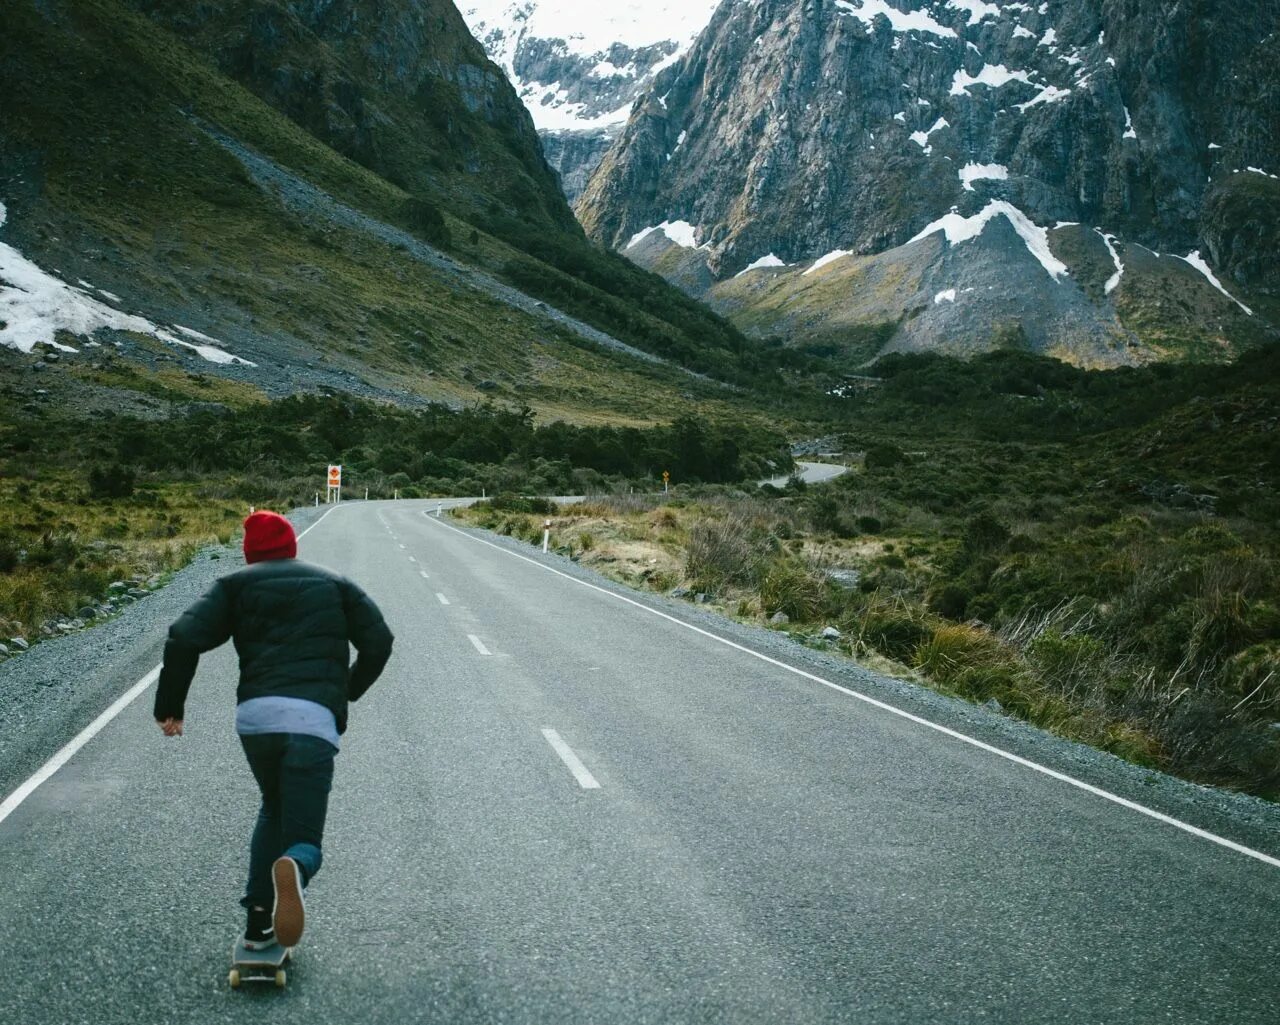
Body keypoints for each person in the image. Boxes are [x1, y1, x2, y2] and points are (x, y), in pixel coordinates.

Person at [153, 510, 393, 949]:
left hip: (257, 719)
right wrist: (346, 691)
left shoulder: (233, 586)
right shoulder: (335, 583)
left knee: (272, 806)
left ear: (249, 553)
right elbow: (380, 641)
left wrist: (170, 708)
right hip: (312, 721)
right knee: (303, 838)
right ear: (291, 545)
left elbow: (183, 637)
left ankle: (259, 923)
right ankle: (295, 869)